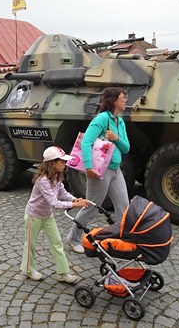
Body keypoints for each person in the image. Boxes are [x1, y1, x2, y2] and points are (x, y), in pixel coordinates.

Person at [65, 87, 130, 254]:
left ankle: (123, 239)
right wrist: (88, 167)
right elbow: (86, 142)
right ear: (114, 101)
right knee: (92, 206)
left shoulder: (119, 121)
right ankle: (73, 238)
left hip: (116, 170)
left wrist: (116, 138)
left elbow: (126, 148)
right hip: (100, 171)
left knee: (124, 206)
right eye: (123, 97)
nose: (126, 100)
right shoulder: (101, 119)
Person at [21, 146, 89, 282]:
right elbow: (54, 202)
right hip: (34, 216)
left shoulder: (57, 177)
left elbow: (62, 193)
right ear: (53, 163)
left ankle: (63, 274)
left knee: (57, 243)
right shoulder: (42, 181)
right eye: (62, 161)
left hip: (47, 216)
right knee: (30, 244)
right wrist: (74, 205)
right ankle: (28, 270)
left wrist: (74, 199)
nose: (65, 164)